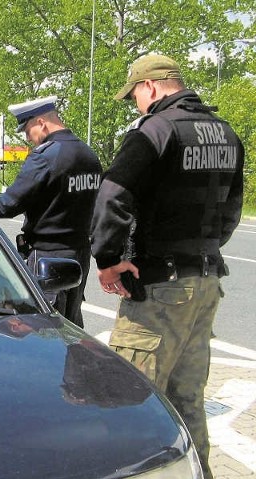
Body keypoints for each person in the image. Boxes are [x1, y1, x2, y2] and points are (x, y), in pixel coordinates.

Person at [90, 54, 244, 479]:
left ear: (152, 87)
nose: (136, 103)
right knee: (187, 399)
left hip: (159, 287)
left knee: (129, 400)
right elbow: (231, 210)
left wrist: (107, 260)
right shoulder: (226, 134)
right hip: (206, 283)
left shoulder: (154, 131)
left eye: (135, 94)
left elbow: (111, 196)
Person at [0, 95, 102, 328]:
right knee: (71, 326)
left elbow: (8, 204)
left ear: (41, 123)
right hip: (79, 256)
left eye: (27, 132)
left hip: (47, 257)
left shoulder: (46, 157)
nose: (28, 140)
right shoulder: (88, 154)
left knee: (40, 328)